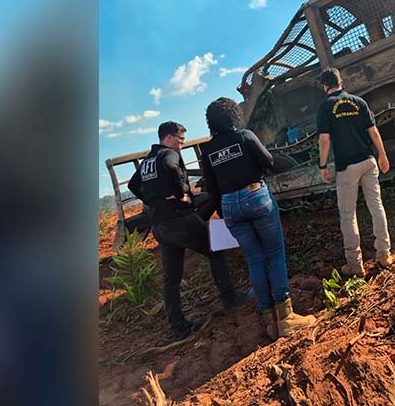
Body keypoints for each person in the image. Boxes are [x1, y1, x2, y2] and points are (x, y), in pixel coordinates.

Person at [200, 98, 316, 340]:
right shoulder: (244, 136)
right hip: (255, 196)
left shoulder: (208, 151)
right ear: (233, 115)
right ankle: (286, 317)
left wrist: (223, 210)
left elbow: (211, 186)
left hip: (230, 204)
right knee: (275, 254)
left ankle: (270, 321)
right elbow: (269, 161)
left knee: (254, 260)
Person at [128, 121, 248, 341]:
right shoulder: (168, 154)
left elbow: (132, 185)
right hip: (180, 220)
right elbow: (172, 167)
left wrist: (153, 201)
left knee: (171, 278)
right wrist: (182, 193)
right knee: (216, 250)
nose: (182, 145)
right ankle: (230, 299)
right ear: (169, 137)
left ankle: (178, 327)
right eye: (180, 140)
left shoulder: (147, 162)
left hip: (160, 225)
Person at [317, 68, 393, 277]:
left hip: (347, 167)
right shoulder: (359, 102)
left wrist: (322, 166)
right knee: (376, 206)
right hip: (368, 161)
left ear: (325, 86)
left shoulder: (325, 106)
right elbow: (373, 131)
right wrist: (382, 155)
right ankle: (384, 254)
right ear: (341, 82)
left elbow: (324, 140)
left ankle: (355, 265)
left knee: (348, 215)